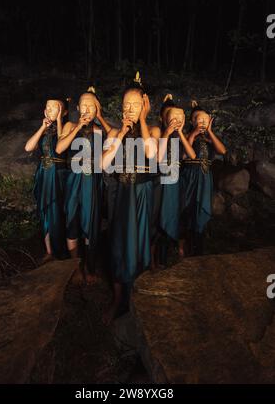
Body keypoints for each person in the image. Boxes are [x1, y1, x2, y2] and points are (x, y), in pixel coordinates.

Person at [102, 72, 160, 324]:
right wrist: (120, 134)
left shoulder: (154, 129)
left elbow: (151, 154)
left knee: (141, 240)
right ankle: (118, 300)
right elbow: (103, 165)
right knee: (117, 244)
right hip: (121, 193)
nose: (130, 109)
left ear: (145, 106)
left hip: (143, 192)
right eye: (126, 105)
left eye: (136, 105)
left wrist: (143, 121)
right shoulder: (115, 131)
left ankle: (139, 298)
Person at [56, 87, 111, 283]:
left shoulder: (98, 131)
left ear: (96, 109)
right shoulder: (70, 125)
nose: (87, 109)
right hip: (73, 179)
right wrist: (79, 127)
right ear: (78, 107)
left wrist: (101, 116)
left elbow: (113, 138)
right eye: (84, 105)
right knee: (72, 220)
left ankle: (89, 267)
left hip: (92, 181)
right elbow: (60, 148)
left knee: (90, 222)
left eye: (92, 106)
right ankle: (75, 267)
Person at [179, 100, 226, 256]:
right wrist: (193, 134)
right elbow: (184, 155)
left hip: (205, 177)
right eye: (199, 119)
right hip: (190, 176)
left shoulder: (210, 139)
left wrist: (211, 132)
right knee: (188, 207)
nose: (203, 122)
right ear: (192, 122)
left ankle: (198, 246)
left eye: (206, 120)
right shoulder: (186, 135)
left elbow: (223, 151)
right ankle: (184, 242)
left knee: (202, 208)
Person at [25, 99, 68, 262]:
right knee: (44, 209)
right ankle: (49, 251)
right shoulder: (44, 130)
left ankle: (61, 251)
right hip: (44, 173)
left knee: (57, 210)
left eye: (54, 107)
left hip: (58, 174)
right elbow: (28, 147)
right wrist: (43, 126)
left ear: (63, 112)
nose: (49, 109)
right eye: (47, 107)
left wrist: (58, 121)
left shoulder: (66, 128)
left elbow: (61, 145)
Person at [156, 94, 196, 266]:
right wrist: (167, 132)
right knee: (159, 214)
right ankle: (157, 258)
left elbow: (191, 155)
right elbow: (157, 157)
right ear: (164, 118)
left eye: (180, 118)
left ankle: (176, 251)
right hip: (161, 179)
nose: (176, 120)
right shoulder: (159, 132)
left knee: (176, 213)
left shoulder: (181, 136)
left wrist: (180, 133)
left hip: (176, 179)